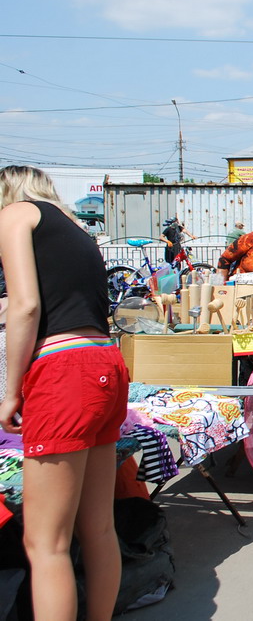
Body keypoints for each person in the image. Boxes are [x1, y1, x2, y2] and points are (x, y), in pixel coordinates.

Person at [0, 165, 127, 621]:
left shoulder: (15, 214)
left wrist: (11, 391)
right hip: (103, 361)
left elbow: (26, 305)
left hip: (63, 370)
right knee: (98, 528)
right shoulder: (74, 228)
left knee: (45, 542)